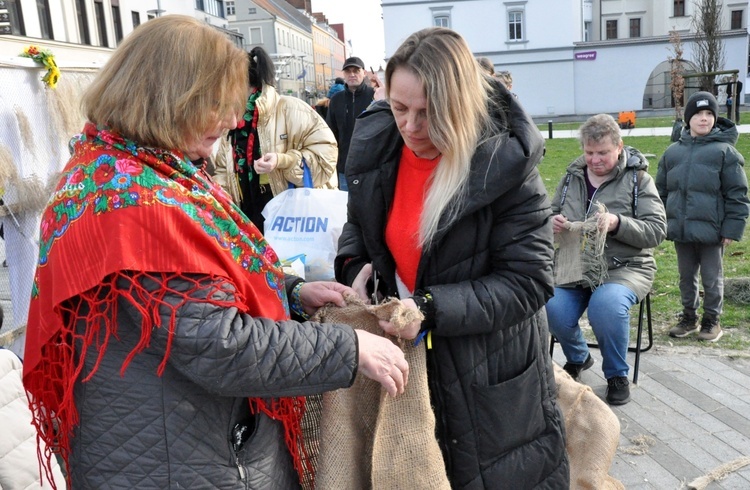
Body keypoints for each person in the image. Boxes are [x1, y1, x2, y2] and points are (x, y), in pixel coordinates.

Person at [22, 16, 409, 489]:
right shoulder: (138, 205)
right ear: (168, 97)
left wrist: (289, 292)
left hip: (174, 442)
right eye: (217, 105)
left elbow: (197, 286)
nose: (231, 122)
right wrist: (348, 348)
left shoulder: (126, 170)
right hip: (181, 461)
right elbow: (219, 344)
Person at [335, 27, 569, 487]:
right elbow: (358, 226)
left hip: (492, 374)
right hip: (410, 370)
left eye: (429, 113)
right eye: (400, 108)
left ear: (461, 105)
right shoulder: (378, 147)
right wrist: (353, 264)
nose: (410, 126)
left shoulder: (506, 164)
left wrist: (430, 308)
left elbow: (529, 281)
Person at [546, 113, 666, 405]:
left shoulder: (638, 180)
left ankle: (616, 375)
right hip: (575, 266)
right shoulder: (570, 178)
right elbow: (548, 214)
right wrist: (553, 222)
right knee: (550, 305)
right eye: (589, 153)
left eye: (603, 153)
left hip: (625, 268)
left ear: (619, 147)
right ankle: (578, 357)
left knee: (606, 306)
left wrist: (617, 223)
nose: (595, 159)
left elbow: (657, 230)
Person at [656, 91, 749, 342]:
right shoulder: (672, 153)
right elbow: (661, 192)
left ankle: (712, 320)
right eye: (698, 113)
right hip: (681, 230)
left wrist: (731, 228)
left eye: (709, 114)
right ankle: (689, 316)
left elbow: (737, 194)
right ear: (689, 119)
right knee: (686, 277)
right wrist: (660, 221)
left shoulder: (725, 153)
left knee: (711, 277)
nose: (704, 118)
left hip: (712, 232)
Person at [213, 46, 338, 233]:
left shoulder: (292, 109)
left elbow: (326, 158)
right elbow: (224, 169)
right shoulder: (232, 120)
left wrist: (283, 161)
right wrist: (215, 192)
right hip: (250, 224)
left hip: (296, 225)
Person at [325, 56, 375, 191]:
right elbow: (330, 133)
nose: (352, 74)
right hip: (345, 168)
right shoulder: (336, 100)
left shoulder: (374, 96)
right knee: (346, 208)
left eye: (356, 70)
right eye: (348, 71)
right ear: (344, 74)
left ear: (364, 73)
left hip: (371, 168)